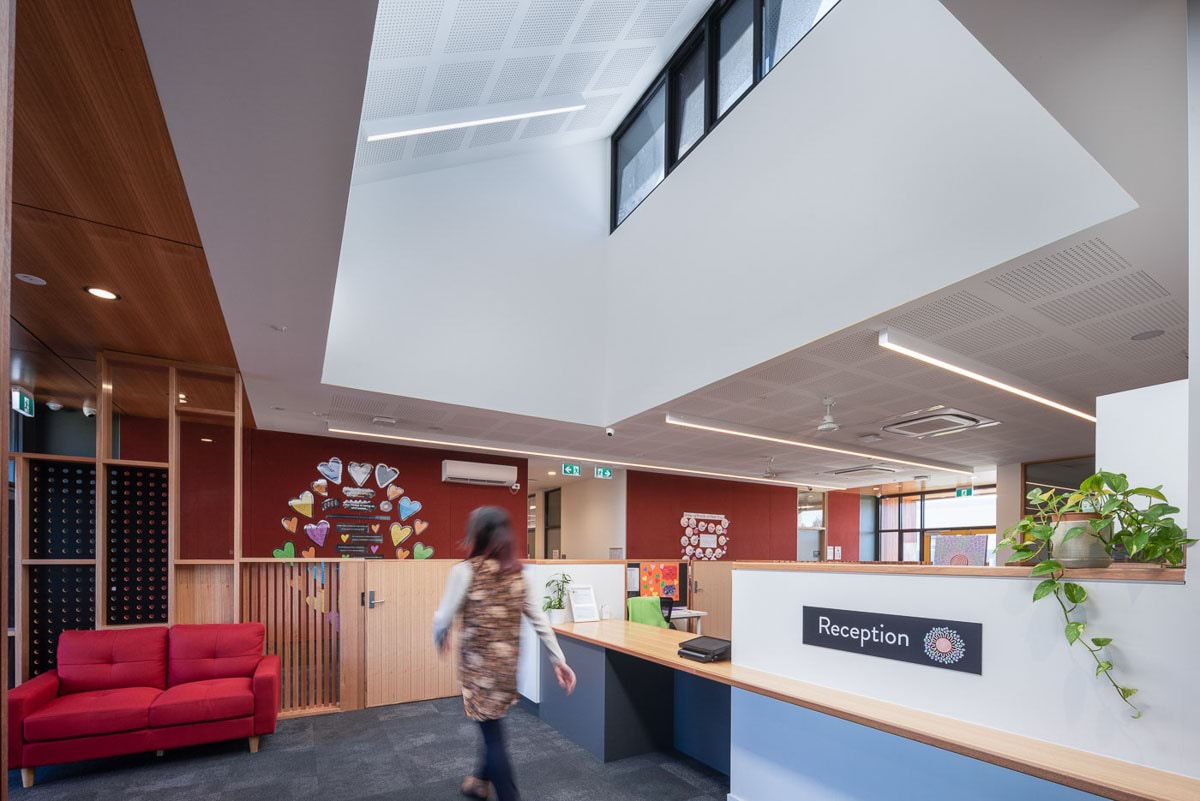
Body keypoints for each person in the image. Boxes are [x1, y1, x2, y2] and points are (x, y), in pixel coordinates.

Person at [433, 506, 577, 801]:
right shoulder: (518, 575)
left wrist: (440, 636)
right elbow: (539, 620)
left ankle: (508, 795)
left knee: (492, 733)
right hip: (507, 668)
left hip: (478, 671)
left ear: (477, 535)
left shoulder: (465, 571)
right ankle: (479, 781)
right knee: (492, 723)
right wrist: (558, 659)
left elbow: (442, 618)